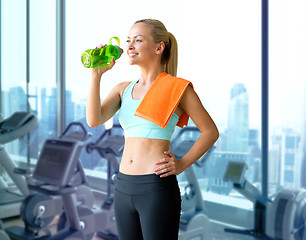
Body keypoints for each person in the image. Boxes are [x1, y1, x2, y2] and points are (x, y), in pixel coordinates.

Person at [86, 19, 219, 240]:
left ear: (159, 48)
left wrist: (181, 164)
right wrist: (95, 75)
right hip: (123, 187)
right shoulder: (122, 90)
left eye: (137, 40)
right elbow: (93, 120)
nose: (129, 46)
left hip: (155, 189)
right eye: (128, 40)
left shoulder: (178, 89)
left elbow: (210, 131)